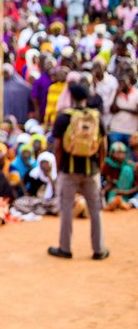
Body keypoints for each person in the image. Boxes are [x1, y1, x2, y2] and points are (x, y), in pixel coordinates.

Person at [47, 83, 110, 260]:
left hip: (69, 170)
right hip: (92, 170)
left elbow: (58, 147)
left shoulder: (63, 118)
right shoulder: (95, 117)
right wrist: (100, 165)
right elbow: (103, 146)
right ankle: (99, 249)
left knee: (66, 209)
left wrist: (59, 169)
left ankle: (65, 248)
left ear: (71, 97)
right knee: (95, 210)